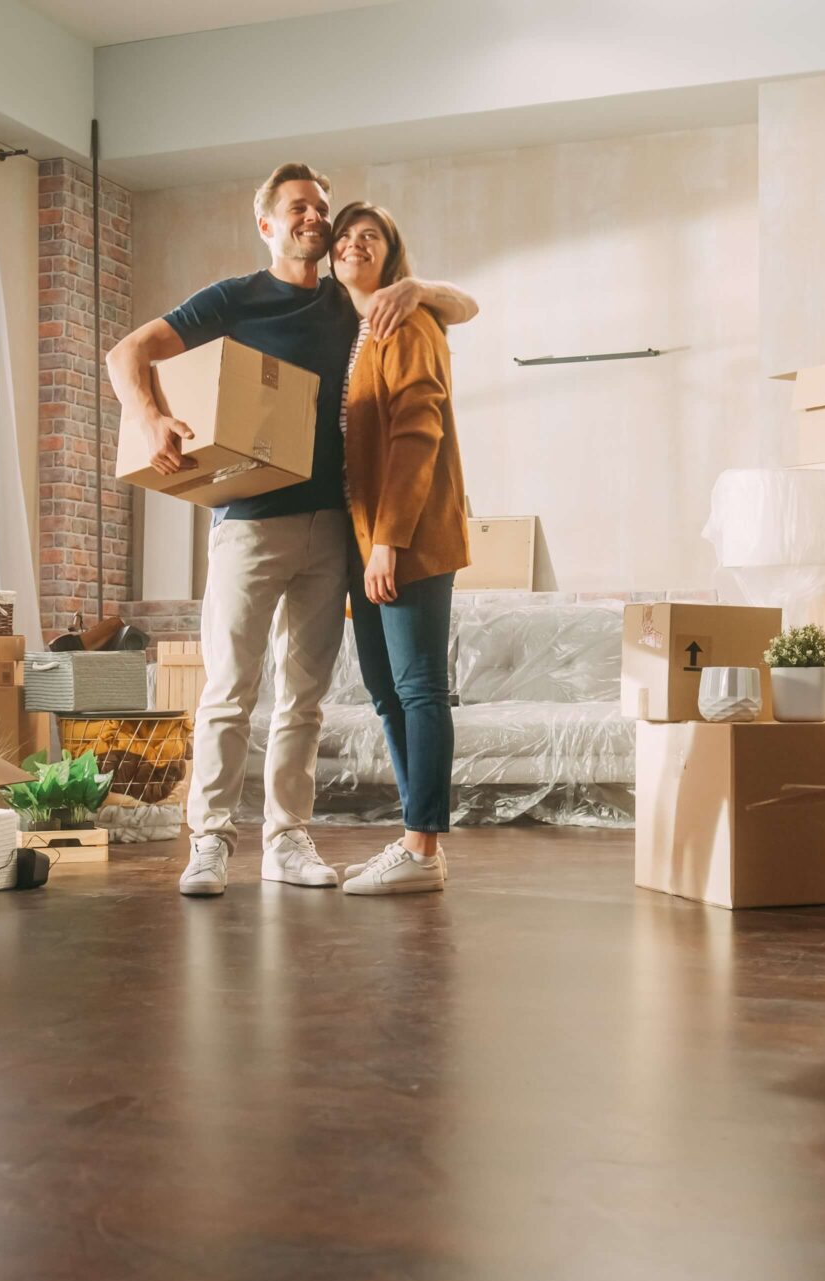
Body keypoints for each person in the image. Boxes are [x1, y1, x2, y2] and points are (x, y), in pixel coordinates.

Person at [106, 164, 477, 898]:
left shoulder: (356, 306)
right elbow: (127, 354)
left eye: (323, 209)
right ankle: (209, 840)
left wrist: (422, 288)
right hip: (247, 525)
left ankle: (287, 838)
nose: (316, 219)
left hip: (335, 529)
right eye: (299, 209)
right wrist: (148, 416)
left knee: (305, 697)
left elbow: (461, 309)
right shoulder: (235, 298)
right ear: (268, 224)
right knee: (229, 689)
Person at [327, 201, 469, 897]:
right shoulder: (354, 332)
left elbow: (419, 433)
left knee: (418, 690)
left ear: (391, 254)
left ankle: (423, 845)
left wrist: (388, 542)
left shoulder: (407, 318)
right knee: (384, 692)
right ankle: (418, 842)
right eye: (344, 237)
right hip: (365, 540)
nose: (355, 244)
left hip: (405, 537)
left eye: (370, 236)